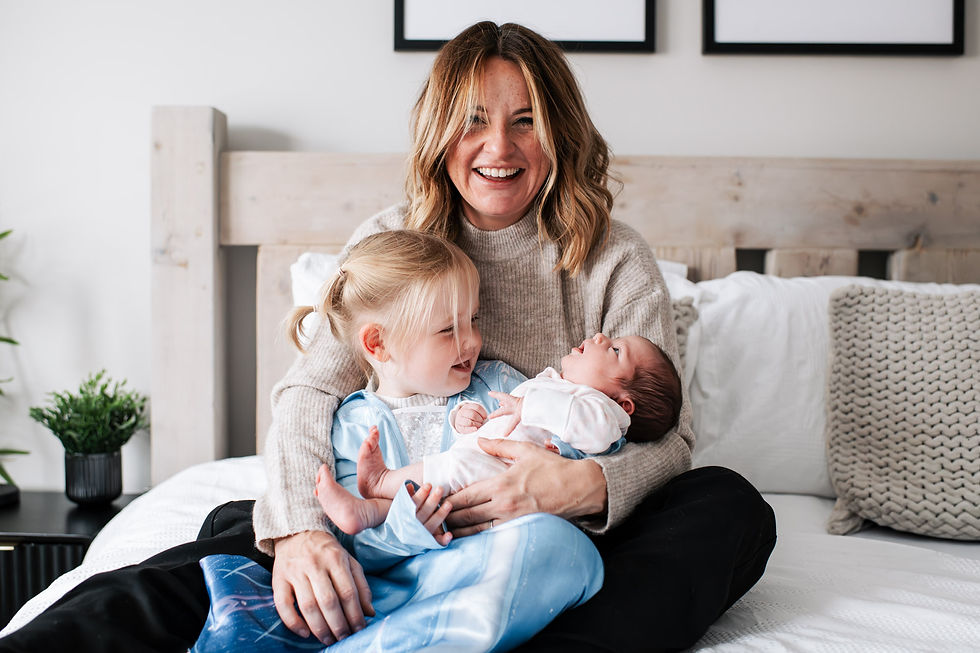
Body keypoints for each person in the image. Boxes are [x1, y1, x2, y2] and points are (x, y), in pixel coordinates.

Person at [0, 20, 775, 653]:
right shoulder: (395, 239)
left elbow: (669, 439)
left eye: (525, 120)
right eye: (473, 119)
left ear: (559, 132)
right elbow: (311, 389)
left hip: (542, 533)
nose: (498, 148)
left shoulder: (612, 256)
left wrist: (584, 486)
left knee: (730, 507)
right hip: (389, 512)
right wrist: (304, 533)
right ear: (441, 132)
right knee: (233, 534)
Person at [190, 230, 604, 652]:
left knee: (566, 548)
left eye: (474, 320)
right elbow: (352, 544)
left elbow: (560, 441)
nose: (472, 341)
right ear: (378, 344)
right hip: (405, 583)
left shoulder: (499, 385)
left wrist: (548, 446)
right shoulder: (353, 427)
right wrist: (410, 529)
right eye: (448, 330)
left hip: (491, 559)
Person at [317, 331, 682, 536]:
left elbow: (594, 431)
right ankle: (369, 512)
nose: (601, 335)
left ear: (626, 403)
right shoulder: (558, 386)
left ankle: (381, 484)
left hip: (510, 475)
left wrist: (527, 408)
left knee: (445, 478)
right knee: (435, 488)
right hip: (486, 455)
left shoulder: (604, 412)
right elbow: (507, 417)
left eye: (616, 349)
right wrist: (467, 417)